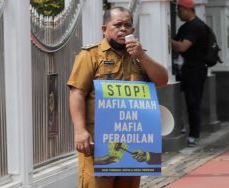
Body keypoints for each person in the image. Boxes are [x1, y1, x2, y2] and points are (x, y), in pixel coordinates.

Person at [67, 6, 168, 188]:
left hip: (131, 144)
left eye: (127, 25)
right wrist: (80, 131)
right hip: (98, 144)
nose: (123, 29)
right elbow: (77, 93)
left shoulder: (139, 56)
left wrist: (142, 56)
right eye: (117, 25)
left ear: (133, 30)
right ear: (104, 28)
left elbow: (162, 80)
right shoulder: (90, 55)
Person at [171, 0, 208, 147]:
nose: (178, 14)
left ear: (187, 9)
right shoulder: (186, 26)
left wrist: (165, 38)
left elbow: (182, 47)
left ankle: (194, 135)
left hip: (196, 69)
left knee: (193, 102)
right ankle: (182, 128)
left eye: (179, 10)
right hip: (186, 68)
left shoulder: (197, 26)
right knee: (183, 99)